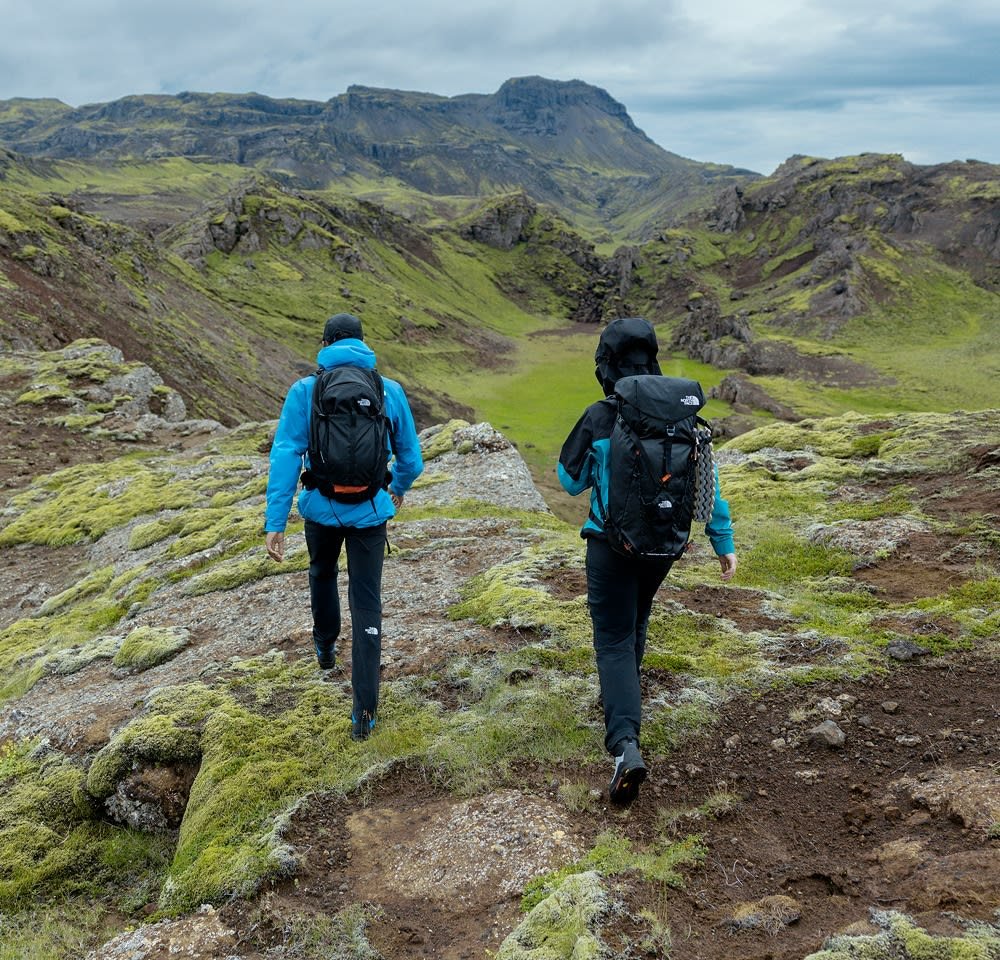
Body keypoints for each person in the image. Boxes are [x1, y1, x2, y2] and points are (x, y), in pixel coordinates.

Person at [558, 317, 737, 804]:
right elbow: (708, 483)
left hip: (611, 545)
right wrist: (723, 541)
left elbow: (568, 480)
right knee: (635, 621)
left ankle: (624, 745)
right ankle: (625, 706)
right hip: (666, 546)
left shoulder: (601, 414)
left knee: (613, 639)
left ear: (605, 365)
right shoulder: (684, 415)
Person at [264, 312, 423, 741]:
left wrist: (275, 522)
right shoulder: (389, 390)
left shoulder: (305, 391)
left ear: (327, 343)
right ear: (362, 343)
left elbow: (285, 456)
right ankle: (364, 712)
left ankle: (325, 646)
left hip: (319, 508)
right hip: (371, 512)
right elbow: (411, 458)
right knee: (367, 603)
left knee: (322, 573)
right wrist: (398, 487)